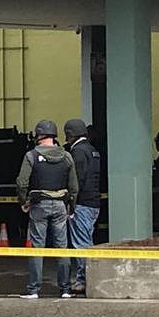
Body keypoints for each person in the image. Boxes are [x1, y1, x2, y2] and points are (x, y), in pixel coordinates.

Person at [17, 119, 79, 299]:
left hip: (39, 204)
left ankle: (34, 289)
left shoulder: (31, 155)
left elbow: (22, 182)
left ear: (38, 136)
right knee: (62, 247)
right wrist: (71, 205)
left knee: (38, 247)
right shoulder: (66, 156)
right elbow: (74, 185)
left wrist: (23, 201)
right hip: (61, 204)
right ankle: (66, 289)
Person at [63, 118, 101, 295]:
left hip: (82, 204)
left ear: (70, 135)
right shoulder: (93, 151)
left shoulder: (77, 152)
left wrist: (71, 204)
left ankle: (83, 280)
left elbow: (76, 181)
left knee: (81, 244)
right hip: (93, 202)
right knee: (87, 240)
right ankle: (88, 278)